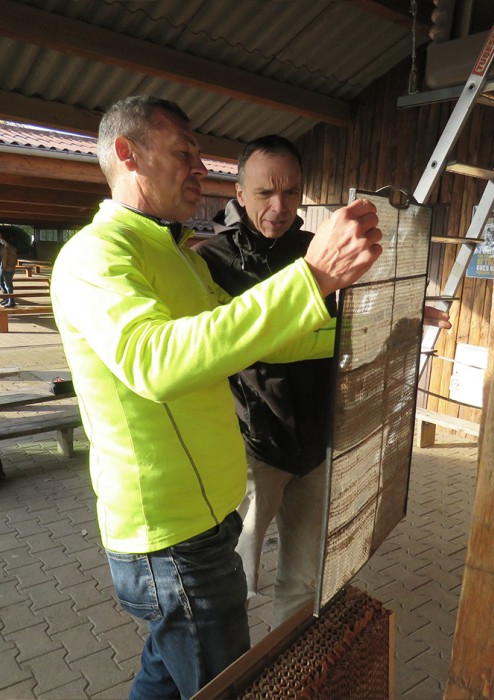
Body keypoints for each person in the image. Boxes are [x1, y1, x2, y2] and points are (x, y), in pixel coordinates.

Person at [50, 96, 382, 700]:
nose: (202, 169)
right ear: (127, 155)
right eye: (184, 153)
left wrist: (379, 327)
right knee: (224, 686)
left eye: (200, 155)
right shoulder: (96, 255)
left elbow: (251, 346)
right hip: (172, 541)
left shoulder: (174, 254)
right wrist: (310, 279)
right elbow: (154, 362)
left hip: (205, 521)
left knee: (166, 677)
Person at [195, 135, 335, 627]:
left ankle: (287, 664)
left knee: (303, 578)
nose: (280, 207)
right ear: (238, 192)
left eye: (292, 193)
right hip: (253, 448)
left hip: (317, 444)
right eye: (265, 193)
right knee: (235, 575)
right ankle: (234, 666)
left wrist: (398, 310)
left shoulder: (319, 255)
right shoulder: (210, 260)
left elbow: (351, 324)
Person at [0, 231, 18, 308]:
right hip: (8, 268)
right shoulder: (9, 247)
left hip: (6, 268)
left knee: (8, 285)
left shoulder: (6, 248)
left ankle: (11, 301)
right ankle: (8, 299)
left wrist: (3, 267)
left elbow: (5, 259)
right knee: (2, 282)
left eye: (0, 237)